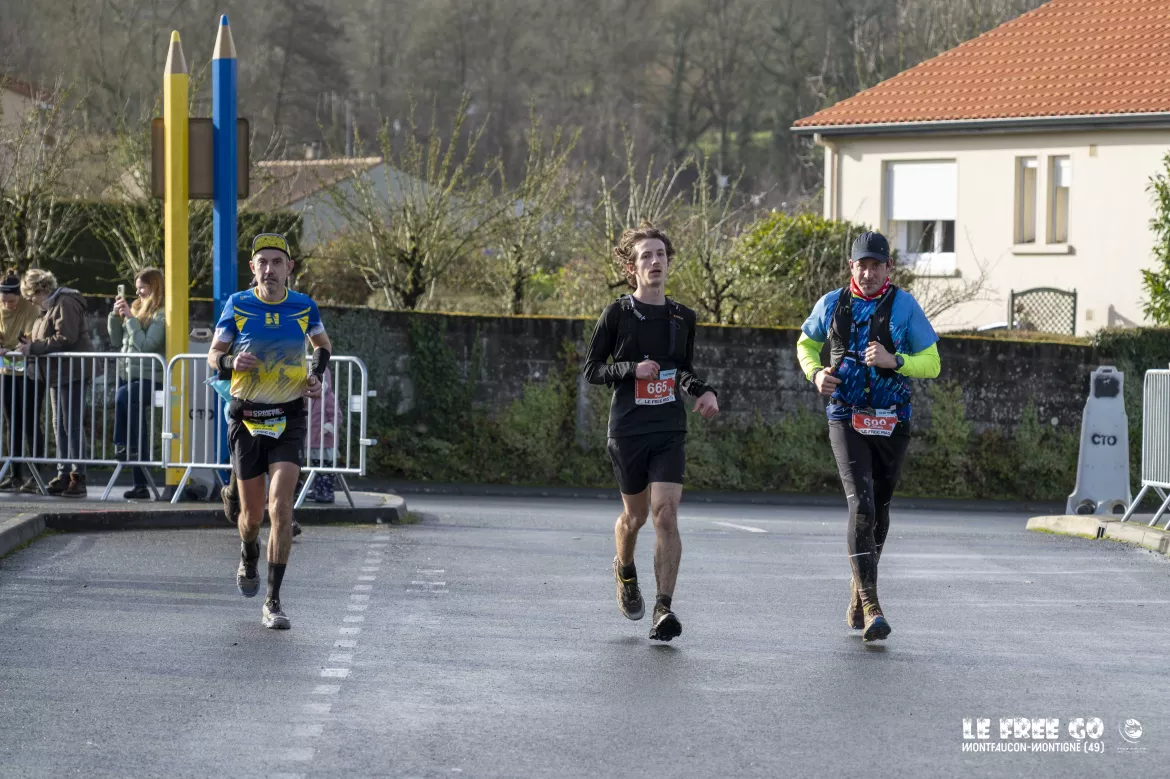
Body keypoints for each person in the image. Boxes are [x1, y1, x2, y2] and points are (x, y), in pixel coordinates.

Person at [796, 231, 941, 643]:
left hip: (893, 420)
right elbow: (806, 344)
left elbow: (932, 363)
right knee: (861, 505)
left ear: (888, 268)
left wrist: (897, 360)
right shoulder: (831, 303)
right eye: (862, 264)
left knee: (880, 508)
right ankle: (872, 605)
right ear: (851, 266)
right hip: (846, 416)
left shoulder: (905, 305)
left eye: (877, 265)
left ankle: (859, 586)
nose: (869, 272)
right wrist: (816, 374)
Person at [583, 223, 719, 642]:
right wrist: (632, 369)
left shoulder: (683, 318)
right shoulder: (617, 315)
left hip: (668, 429)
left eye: (660, 254)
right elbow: (592, 370)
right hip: (628, 430)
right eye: (646, 255)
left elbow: (683, 371)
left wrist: (704, 391)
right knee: (636, 517)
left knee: (665, 513)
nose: (655, 261)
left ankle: (664, 607)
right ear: (632, 268)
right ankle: (625, 570)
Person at [208, 233, 329, 630]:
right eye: (263, 262)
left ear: (289, 268)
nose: (270, 269)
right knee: (251, 516)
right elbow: (213, 356)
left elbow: (322, 345)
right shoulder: (238, 304)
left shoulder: (303, 306)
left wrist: (316, 374)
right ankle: (248, 552)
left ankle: (273, 601)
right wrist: (231, 362)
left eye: (277, 262)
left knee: (280, 508)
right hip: (247, 417)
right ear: (253, 268)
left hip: (288, 417)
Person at [17, 269, 95, 498]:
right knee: (59, 424)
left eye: (30, 296)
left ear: (38, 290)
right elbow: (52, 337)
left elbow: (66, 337)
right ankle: (64, 473)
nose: (30, 301)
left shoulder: (64, 303)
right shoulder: (50, 307)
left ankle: (78, 476)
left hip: (72, 371)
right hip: (58, 373)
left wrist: (34, 347)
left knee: (71, 424)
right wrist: (29, 342)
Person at [108, 268, 166, 500]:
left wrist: (131, 321)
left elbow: (147, 345)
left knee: (123, 396)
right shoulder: (135, 308)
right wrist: (115, 317)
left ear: (155, 287)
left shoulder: (161, 314)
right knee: (133, 420)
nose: (138, 292)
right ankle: (139, 481)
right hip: (129, 375)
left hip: (152, 377)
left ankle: (122, 445)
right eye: (137, 288)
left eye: (143, 287)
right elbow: (115, 341)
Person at [0, 268, 43, 491]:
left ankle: (36, 475)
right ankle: (14, 474)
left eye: (12, 301)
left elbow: (27, 339)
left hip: (29, 372)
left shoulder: (30, 308)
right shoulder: (1, 307)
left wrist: (9, 349)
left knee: (30, 422)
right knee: (11, 422)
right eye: (4, 301)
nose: (8, 305)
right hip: (7, 371)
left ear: (19, 296)